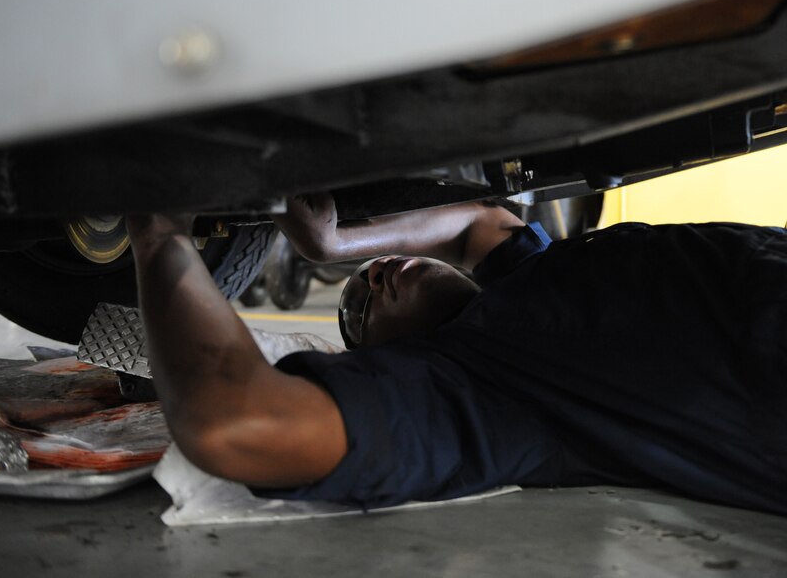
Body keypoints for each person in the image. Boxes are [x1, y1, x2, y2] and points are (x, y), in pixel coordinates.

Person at [125, 195, 787, 515]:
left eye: (371, 271)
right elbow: (232, 421)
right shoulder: (486, 395)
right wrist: (159, 233)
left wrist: (332, 244)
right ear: (394, 363)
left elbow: (479, 222)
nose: (376, 275)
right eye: (362, 309)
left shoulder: (528, 275)